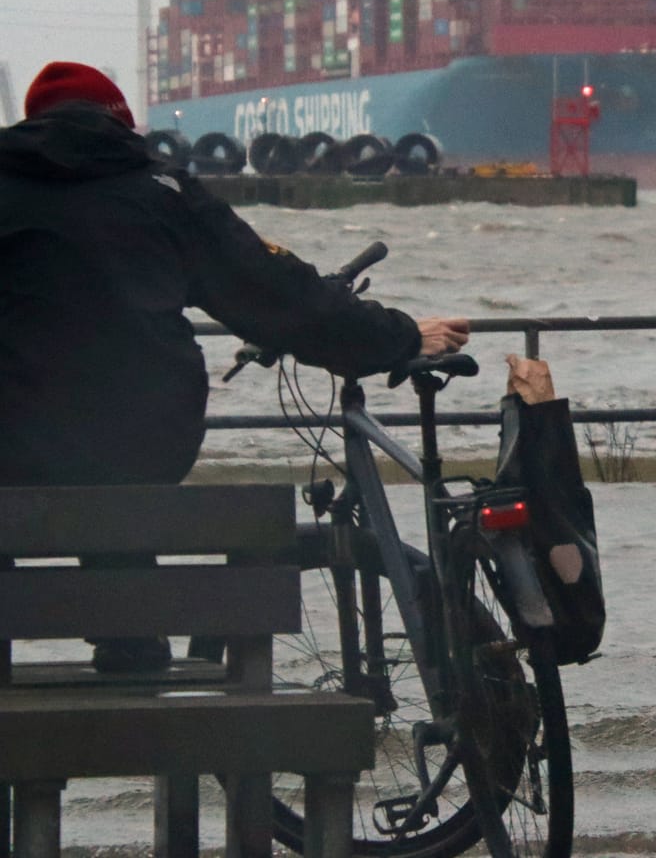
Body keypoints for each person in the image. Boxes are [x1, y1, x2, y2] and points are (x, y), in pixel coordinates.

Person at [0, 61, 471, 672]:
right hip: (139, 449)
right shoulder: (161, 195)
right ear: (120, 123)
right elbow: (280, 295)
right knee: (118, 482)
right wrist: (399, 335)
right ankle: (135, 654)